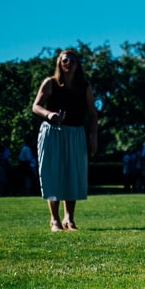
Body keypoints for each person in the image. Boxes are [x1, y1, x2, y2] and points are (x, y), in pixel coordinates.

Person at [31, 49, 98, 231]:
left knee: (72, 174)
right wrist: (49, 114)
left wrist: (93, 136)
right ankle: (55, 220)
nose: (69, 63)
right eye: (65, 60)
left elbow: (92, 114)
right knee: (53, 173)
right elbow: (36, 106)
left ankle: (69, 219)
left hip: (76, 133)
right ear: (59, 63)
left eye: (72, 60)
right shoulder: (50, 83)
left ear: (77, 65)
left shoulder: (84, 86)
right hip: (52, 132)